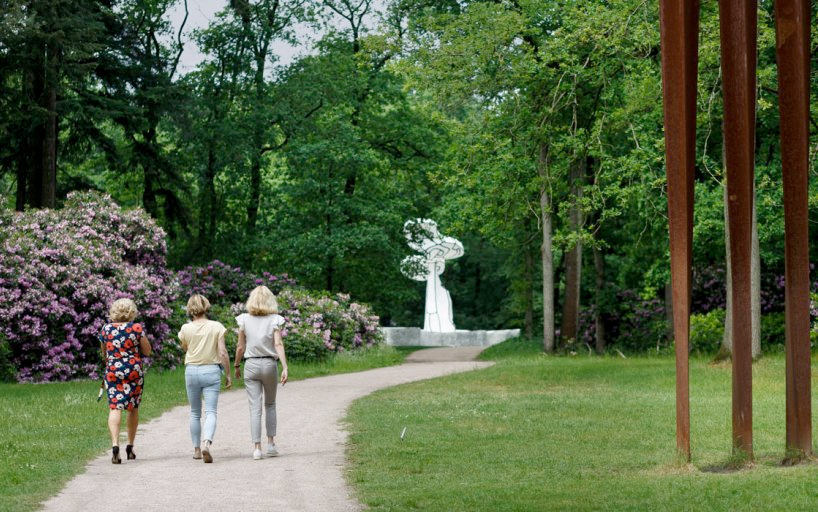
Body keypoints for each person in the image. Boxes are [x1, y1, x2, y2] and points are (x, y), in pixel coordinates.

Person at [234, 285, 289, 460]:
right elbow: (278, 344)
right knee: (270, 404)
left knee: (254, 408)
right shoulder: (275, 320)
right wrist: (285, 366)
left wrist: (236, 365)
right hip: (269, 363)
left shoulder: (243, 319)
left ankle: (257, 448)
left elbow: (240, 346)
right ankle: (271, 444)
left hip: (250, 364)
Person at [177, 294, 232, 463]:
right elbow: (222, 352)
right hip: (211, 371)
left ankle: (196, 450)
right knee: (210, 412)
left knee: (194, 412)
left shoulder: (185, 329)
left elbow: (185, 347)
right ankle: (207, 443)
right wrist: (228, 373)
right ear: (206, 306)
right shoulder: (217, 327)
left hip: (192, 371)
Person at [99, 297, 152, 464]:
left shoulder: (106, 329)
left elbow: (104, 353)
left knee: (115, 407)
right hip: (133, 371)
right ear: (131, 312)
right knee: (133, 407)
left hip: (113, 370)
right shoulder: (136, 328)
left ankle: (115, 445)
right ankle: (130, 446)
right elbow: (147, 351)